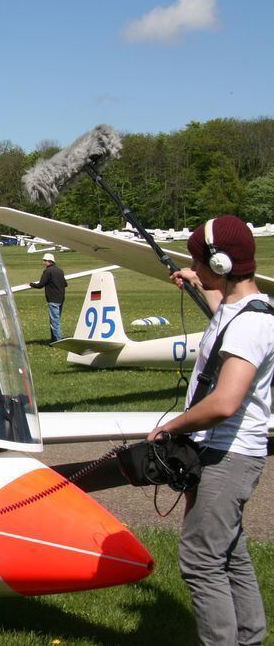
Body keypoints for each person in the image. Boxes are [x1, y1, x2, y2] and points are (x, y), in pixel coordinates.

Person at [147, 215, 272, 646]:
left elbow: (224, 403)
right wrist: (196, 282)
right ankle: (249, 638)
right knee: (230, 551)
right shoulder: (242, 311)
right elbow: (225, 318)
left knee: (200, 559)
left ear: (221, 264)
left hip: (227, 456)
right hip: (225, 453)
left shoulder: (252, 324)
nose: (196, 267)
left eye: (200, 261)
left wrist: (169, 427)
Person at [29, 252, 67, 342]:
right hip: (61, 298)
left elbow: (40, 285)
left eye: (44, 261)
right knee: (56, 320)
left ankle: (58, 341)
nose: (43, 262)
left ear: (49, 261)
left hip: (53, 299)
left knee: (54, 322)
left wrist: (31, 284)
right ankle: (54, 340)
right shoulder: (60, 271)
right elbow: (65, 284)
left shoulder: (48, 271)